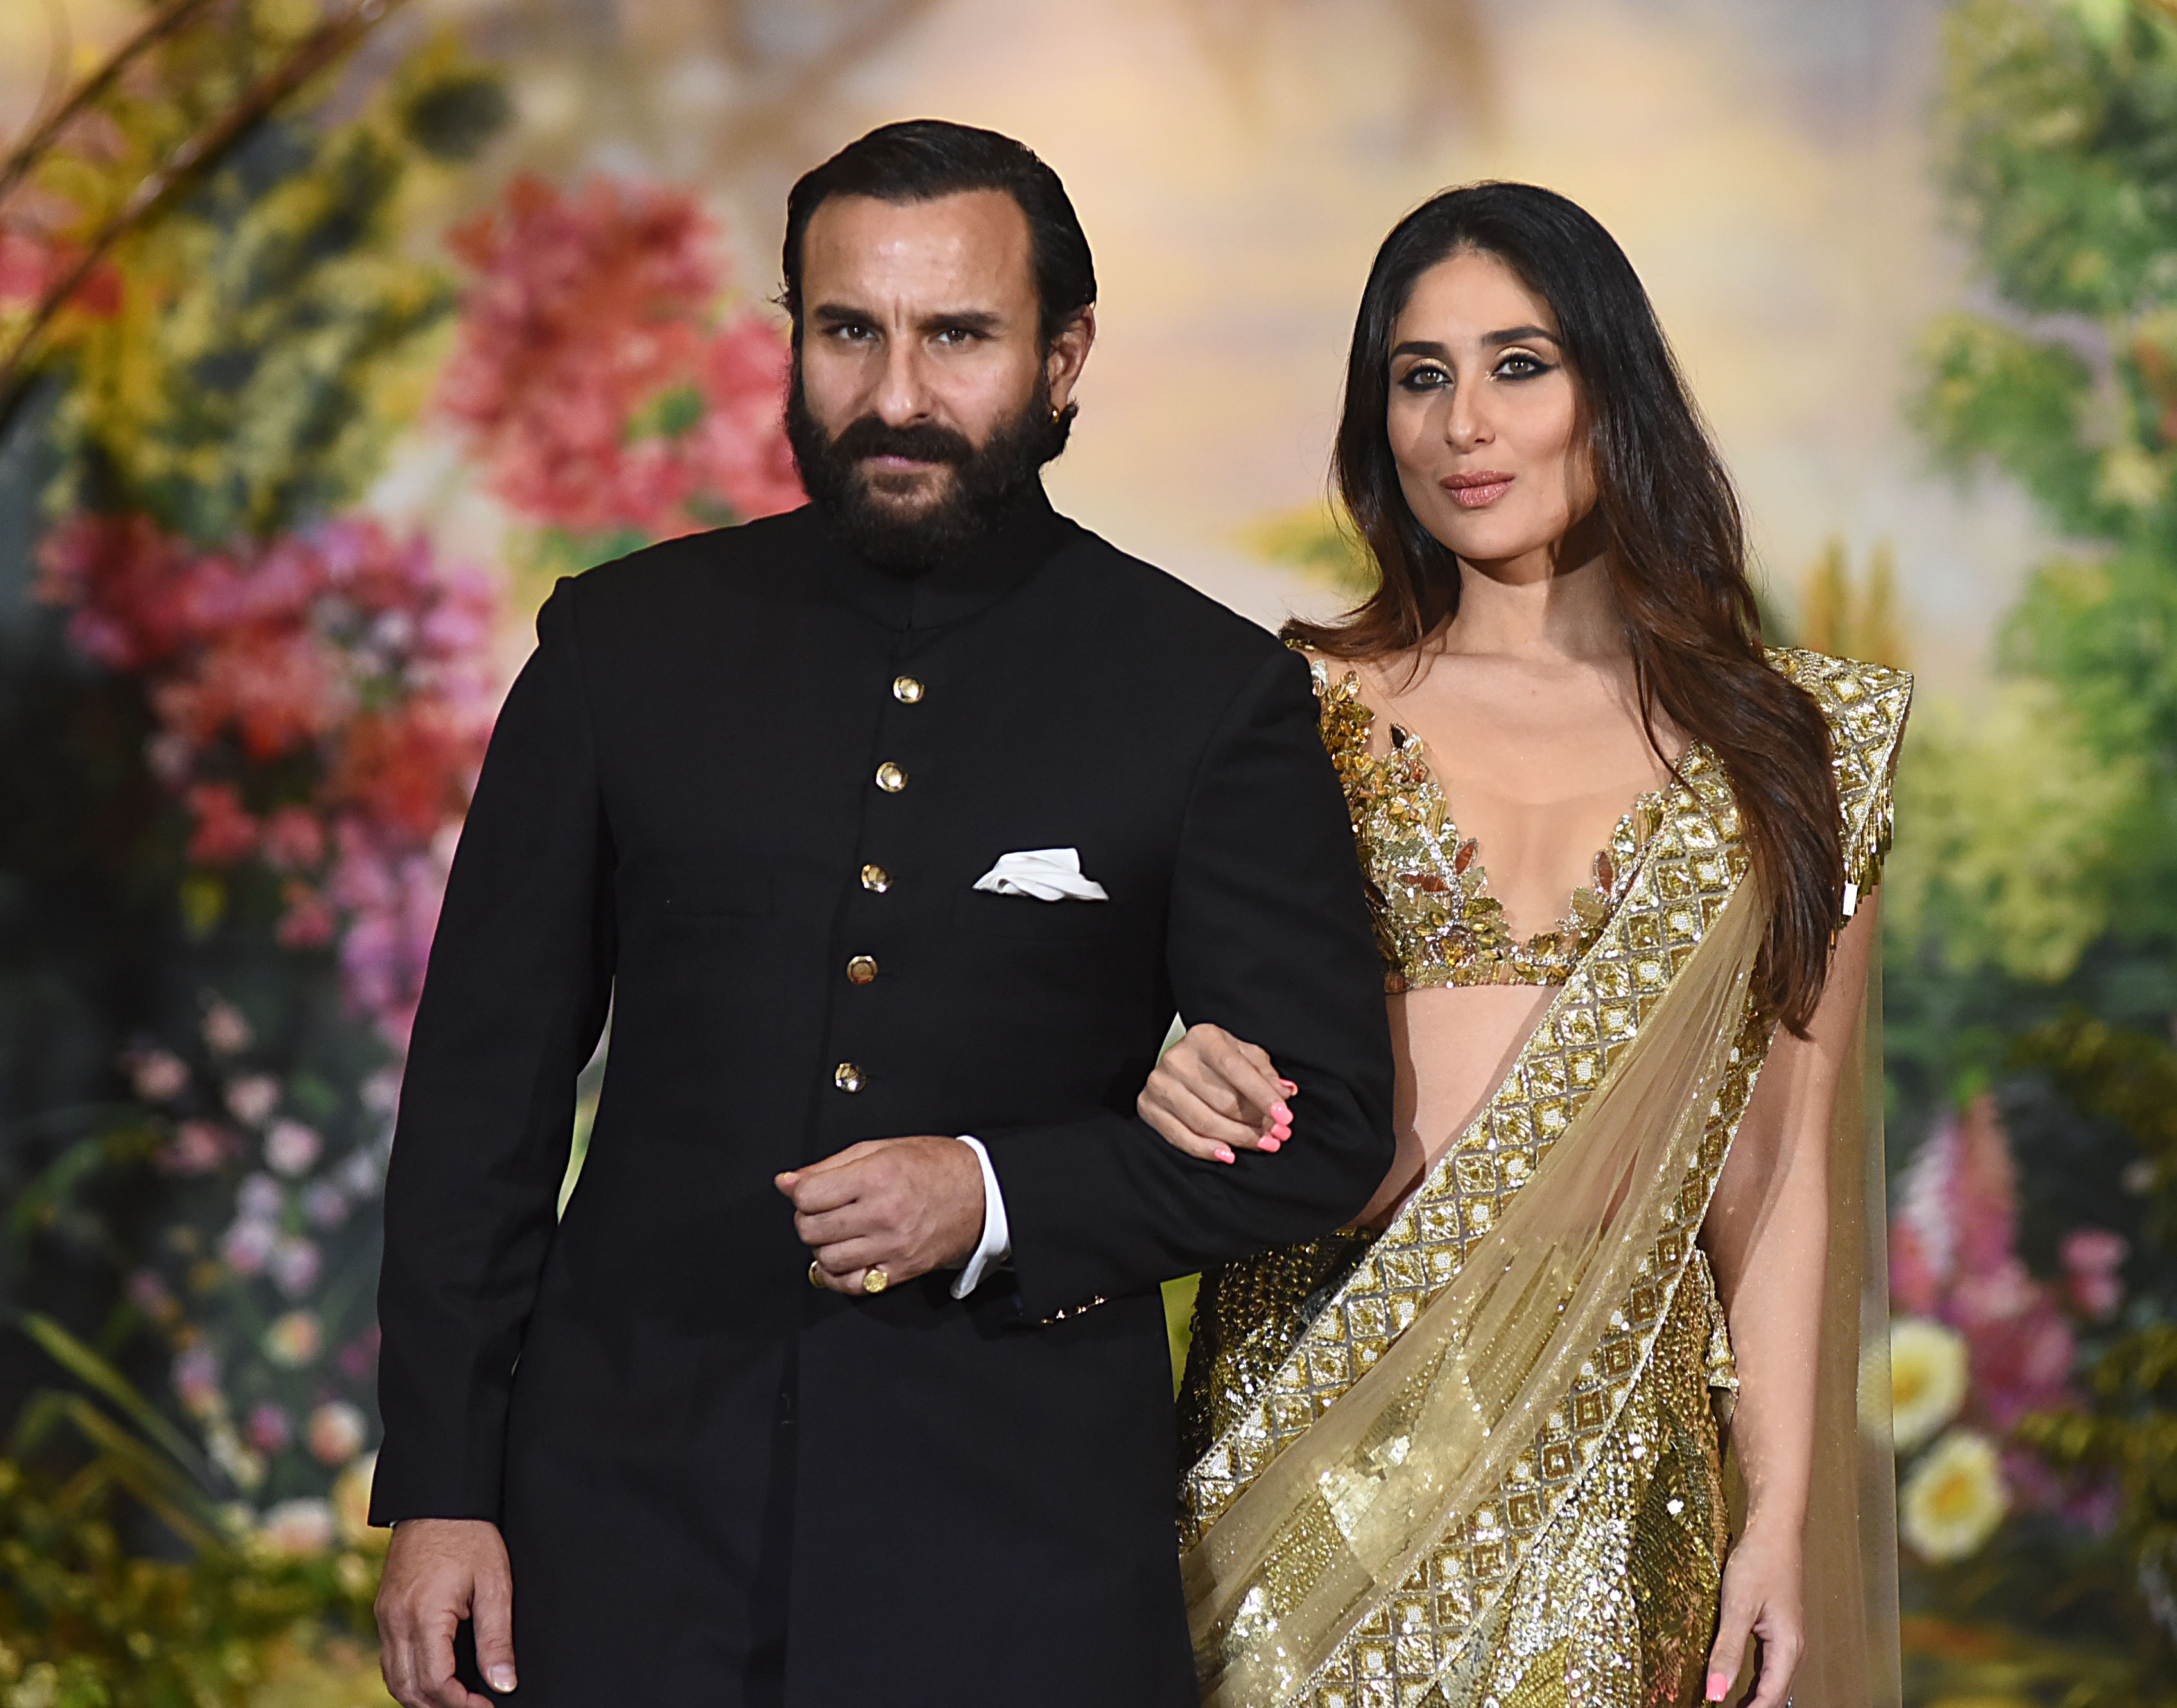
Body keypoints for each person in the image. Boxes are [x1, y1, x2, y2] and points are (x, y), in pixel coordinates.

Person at [366, 119, 1397, 1708]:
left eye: (958, 336)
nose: (897, 393)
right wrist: (444, 1484)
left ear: (1064, 357)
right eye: (850, 330)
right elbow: (476, 1102)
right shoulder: (618, 649)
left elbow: (1322, 1120)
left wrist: (992, 1193)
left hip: (1018, 1552)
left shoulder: (1205, 692)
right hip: (624, 1528)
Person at [1138, 183, 1910, 1708]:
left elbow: (1777, 1174)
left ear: (1611, 388)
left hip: (1608, 1452)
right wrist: (1179, 1074)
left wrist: (1777, 1514)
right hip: (1311, 1405)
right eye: (1419, 376)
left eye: (1519, 364)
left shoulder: (1796, 744)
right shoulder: (1284, 709)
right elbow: (1171, 1040)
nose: (1463, 425)